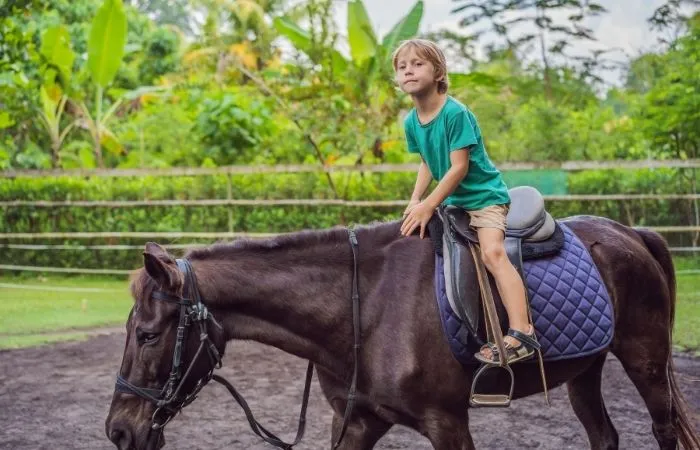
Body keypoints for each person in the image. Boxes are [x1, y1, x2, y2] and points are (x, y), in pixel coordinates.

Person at [393, 39, 537, 364]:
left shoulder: (455, 113)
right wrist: (415, 198)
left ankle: (522, 331)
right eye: (402, 67)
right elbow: (428, 162)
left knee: (493, 253)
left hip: (483, 198)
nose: (408, 71)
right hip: (452, 202)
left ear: (438, 70)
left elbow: (459, 167)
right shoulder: (411, 121)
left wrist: (428, 204)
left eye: (417, 64)